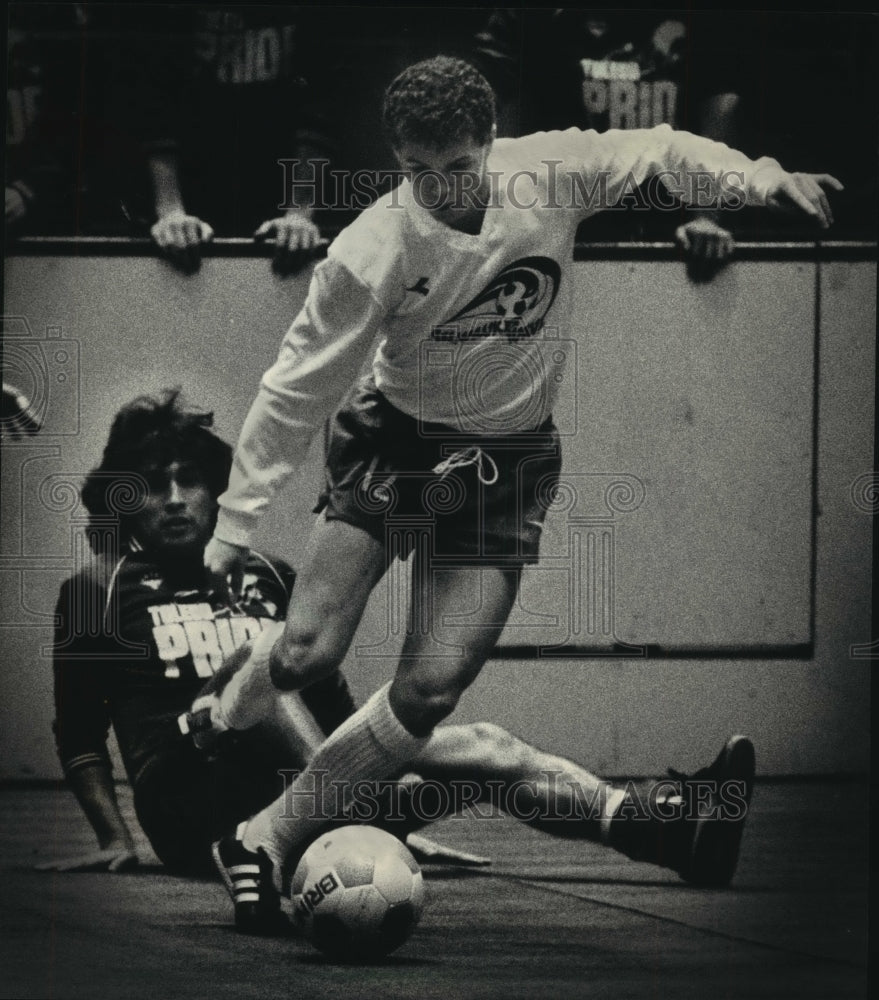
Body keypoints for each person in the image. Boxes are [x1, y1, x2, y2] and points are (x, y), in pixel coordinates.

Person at [197, 55, 834, 924]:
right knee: (307, 652)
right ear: (398, 162)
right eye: (420, 173)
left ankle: (261, 837)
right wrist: (233, 527)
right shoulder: (372, 249)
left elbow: (658, 151)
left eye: (458, 168)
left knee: (427, 694)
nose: (443, 190)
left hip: (506, 460)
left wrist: (759, 177)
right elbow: (296, 384)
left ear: (489, 145)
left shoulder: (549, 171)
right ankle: (224, 713)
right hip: (396, 440)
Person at [46, 388, 757, 937]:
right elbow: (78, 732)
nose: (174, 498)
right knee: (253, 667)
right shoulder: (94, 587)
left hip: (295, 789)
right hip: (189, 804)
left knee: (486, 748)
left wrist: (390, 822)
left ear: (215, 488)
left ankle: (659, 828)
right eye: (152, 482)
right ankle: (353, 804)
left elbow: (332, 707)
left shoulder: (270, 571)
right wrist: (113, 838)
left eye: (190, 478)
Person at [473, 9, 745, 277]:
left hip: (673, 232)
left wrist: (707, 215)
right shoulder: (528, 16)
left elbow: (719, 105)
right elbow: (480, 94)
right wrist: (483, 211)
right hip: (562, 224)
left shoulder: (698, 17)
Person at [137, 5, 340, 275]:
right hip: (190, 186)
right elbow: (155, 101)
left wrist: (300, 212)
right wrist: (170, 210)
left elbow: (320, 103)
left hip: (277, 187)